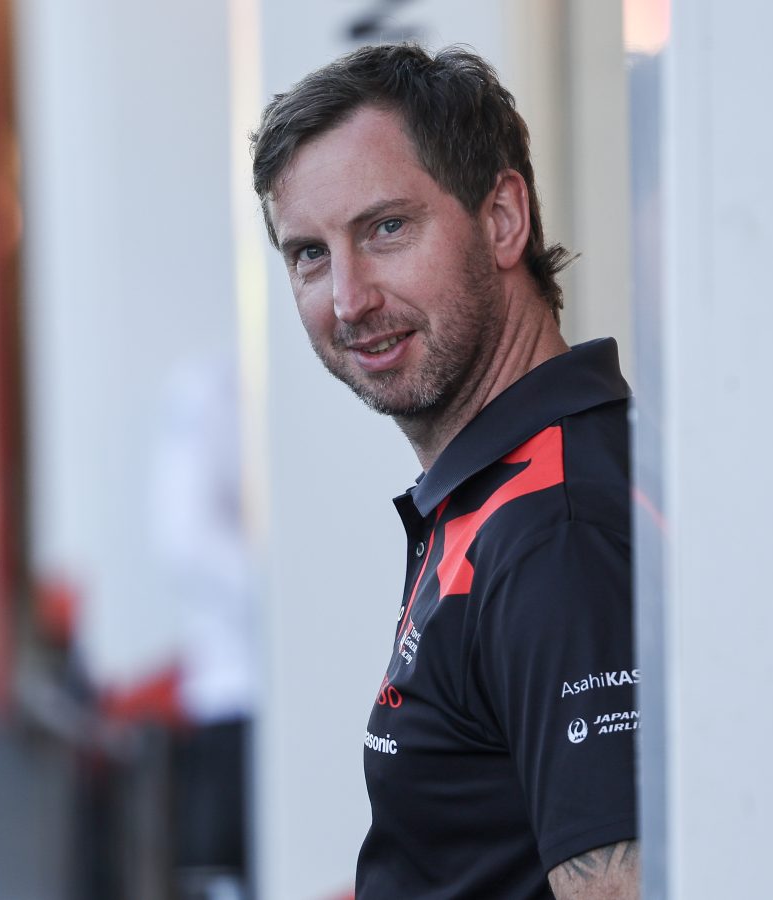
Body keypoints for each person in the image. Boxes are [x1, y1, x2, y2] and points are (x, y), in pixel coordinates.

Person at [251, 44, 640, 899]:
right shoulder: (504, 490)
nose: (349, 298)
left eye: (386, 228)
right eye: (309, 253)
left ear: (502, 218)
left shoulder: (554, 530)